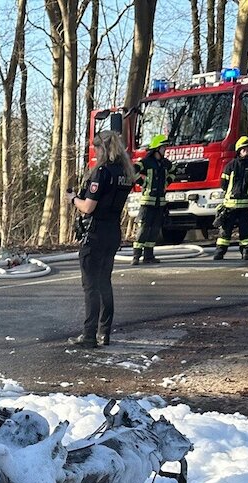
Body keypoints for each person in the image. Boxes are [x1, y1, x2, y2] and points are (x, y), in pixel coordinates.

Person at [67, 129, 133, 347]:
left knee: (91, 286)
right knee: (105, 282)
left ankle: (88, 335)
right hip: (113, 231)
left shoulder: (101, 172)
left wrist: (73, 199)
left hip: (95, 232)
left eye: (96, 149)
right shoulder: (125, 172)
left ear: (103, 149)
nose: (94, 154)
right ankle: (104, 332)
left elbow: (88, 207)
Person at [214, 136, 248, 261]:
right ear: (238, 150)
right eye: (244, 148)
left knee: (246, 232)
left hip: (245, 205)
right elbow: (223, 184)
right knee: (225, 231)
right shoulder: (231, 165)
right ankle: (219, 253)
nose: (246, 150)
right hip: (230, 205)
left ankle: (245, 252)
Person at [132, 134, 173, 264]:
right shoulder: (146, 162)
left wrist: (167, 182)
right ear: (156, 149)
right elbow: (132, 170)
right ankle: (136, 256)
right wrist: (142, 183)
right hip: (147, 201)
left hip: (160, 201)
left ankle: (148, 256)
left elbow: (173, 171)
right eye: (163, 147)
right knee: (144, 228)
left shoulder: (165, 163)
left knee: (155, 229)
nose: (165, 150)